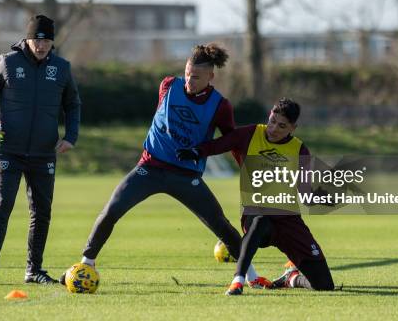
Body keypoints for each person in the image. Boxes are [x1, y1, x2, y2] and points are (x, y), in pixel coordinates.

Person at [62, 43, 268, 288]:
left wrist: (244, 168)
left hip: (185, 176)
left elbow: (230, 140)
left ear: (211, 77)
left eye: (196, 78)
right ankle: (87, 262)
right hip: (149, 168)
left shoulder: (220, 106)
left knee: (219, 224)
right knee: (111, 211)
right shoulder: (168, 85)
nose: (189, 81)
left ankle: (252, 276)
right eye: (188, 74)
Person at [177, 98, 335, 295]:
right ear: (269, 115)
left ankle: (292, 278)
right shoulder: (250, 134)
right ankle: (238, 280)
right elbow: (218, 145)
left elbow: (305, 193)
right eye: (272, 121)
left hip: (288, 219)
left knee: (324, 285)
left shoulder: (300, 150)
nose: (274, 128)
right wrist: (196, 152)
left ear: (293, 128)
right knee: (261, 220)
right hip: (256, 215)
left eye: (282, 125)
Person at [0, 14, 81, 285]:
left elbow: (73, 104)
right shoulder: (8, 62)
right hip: (8, 150)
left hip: (44, 153)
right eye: (37, 39)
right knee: (3, 206)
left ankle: (33, 270)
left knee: (42, 212)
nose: (42, 45)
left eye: (47, 40)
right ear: (28, 39)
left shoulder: (61, 68)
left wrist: (70, 136)